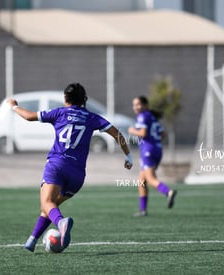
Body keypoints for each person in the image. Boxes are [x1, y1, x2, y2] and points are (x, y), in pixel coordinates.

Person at [7, 83, 133, 252]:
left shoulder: (59, 113)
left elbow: (29, 116)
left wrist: (14, 106)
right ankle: (32, 240)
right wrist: (128, 156)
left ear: (65, 99)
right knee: (50, 206)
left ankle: (61, 223)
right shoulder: (91, 117)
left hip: (57, 165)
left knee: (47, 203)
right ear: (83, 99)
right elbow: (117, 134)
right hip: (77, 175)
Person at [128, 96, 177, 217]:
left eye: (138, 104)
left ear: (145, 105)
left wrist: (132, 130)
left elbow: (143, 133)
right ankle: (143, 210)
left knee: (150, 179)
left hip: (148, 151)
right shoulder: (152, 117)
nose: (136, 107)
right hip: (157, 150)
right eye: (134, 105)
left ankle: (168, 192)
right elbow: (163, 134)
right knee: (142, 181)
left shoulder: (143, 116)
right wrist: (154, 142)